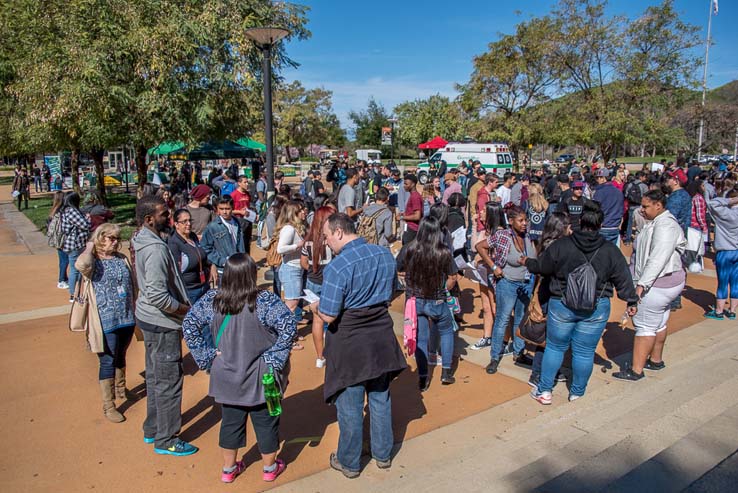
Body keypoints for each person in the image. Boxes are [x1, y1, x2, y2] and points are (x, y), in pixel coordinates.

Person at [311, 213, 407, 478]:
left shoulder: (338, 267)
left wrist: (315, 306)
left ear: (339, 232)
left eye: (328, 237)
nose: (327, 242)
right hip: (380, 336)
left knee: (350, 403)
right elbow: (391, 293)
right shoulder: (385, 254)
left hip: (350, 342)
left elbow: (329, 315)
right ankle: (383, 454)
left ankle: (349, 461)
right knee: (380, 396)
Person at [525, 201, 639, 404]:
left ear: (580, 221)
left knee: (554, 347)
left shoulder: (562, 245)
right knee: (585, 351)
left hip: (562, 303)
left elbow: (542, 267)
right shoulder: (610, 250)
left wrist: (527, 262)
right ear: (600, 224)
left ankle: (544, 391)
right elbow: (623, 278)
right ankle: (577, 391)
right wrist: (631, 299)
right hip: (596, 306)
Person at [205, 254, 295, 484]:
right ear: (251, 274)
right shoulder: (265, 301)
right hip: (263, 378)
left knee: (230, 423)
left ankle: (228, 469)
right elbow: (289, 325)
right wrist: (276, 358)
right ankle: (270, 468)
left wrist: (206, 356)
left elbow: (189, 325)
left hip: (226, 377)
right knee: (268, 421)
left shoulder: (213, 300)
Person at [132, 195, 195, 456]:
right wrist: (183, 309)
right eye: (163, 214)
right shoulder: (156, 249)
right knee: (169, 381)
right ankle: (167, 438)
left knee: (157, 377)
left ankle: (153, 428)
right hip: (161, 322)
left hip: (149, 319)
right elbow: (158, 295)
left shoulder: (143, 239)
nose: (168, 218)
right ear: (149, 219)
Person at [613, 190, 686, 381]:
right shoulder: (659, 223)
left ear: (658, 205)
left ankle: (636, 370)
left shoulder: (665, 226)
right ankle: (655, 359)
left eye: (645, 206)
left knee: (645, 326)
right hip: (665, 284)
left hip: (656, 286)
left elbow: (657, 259)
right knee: (660, 321)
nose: (642, 210)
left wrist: (641, 286)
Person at [75, 224, 136, 422]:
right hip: (104, 320)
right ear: (99, 238)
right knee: (107, 360)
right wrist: (90, 246)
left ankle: (120, 389)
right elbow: (80, 265)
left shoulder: (121, 258)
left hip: (126, 317)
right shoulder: (92, 261)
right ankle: (109, 406)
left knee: (121, 354)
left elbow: (131, 282)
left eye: (117, 238)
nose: (115, 242)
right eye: (110, 238)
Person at [396, 216, 457, 390]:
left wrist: (408, 278)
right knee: (446, 332)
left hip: (415, 300)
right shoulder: (443, 252)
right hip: (437, 299)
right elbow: (453, 276)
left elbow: (399, 268)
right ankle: (446, 372)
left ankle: (423, 377)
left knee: (421, 338)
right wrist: (445, 289)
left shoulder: (409, 249)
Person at [484, 205, 537, 374]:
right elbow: (480, 246)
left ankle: (519, 352)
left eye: (525, 220)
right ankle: (494, 356)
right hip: (507, 283)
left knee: (521, 318)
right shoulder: (502, 235)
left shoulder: (527, 236)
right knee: (503, 319)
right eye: (520, 220)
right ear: (511, 221)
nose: (524, 223)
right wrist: (493, 267)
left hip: (526, 283)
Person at [527, 212, 572, 389]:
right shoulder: (551, 246)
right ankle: (537, 373)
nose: (571, 229)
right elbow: (544, 270)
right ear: (561, 227)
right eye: (568, 225)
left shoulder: (555, 244)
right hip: (548, 293)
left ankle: (551, 369)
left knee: (556, 336)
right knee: (546, 335)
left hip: (556, 293)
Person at [301, 206, 334, 366]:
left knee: (317, 319)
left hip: (312, 282)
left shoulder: (308, 241)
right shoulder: (331, 240)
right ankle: (333, 350)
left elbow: (303, 263)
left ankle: (320, 357)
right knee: (334, 316)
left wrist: (314, 269)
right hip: (329, 283)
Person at [470, 201, 506, 350]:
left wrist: (485, 262)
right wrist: (473, 225)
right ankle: (487, 337)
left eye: (484, 210)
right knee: (486, 307)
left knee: (497, 308)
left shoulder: (499, 232)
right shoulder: (485, 230)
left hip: (494, 275)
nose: (481, 213)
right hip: (483, 274)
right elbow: (474, 247)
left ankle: (503, 340)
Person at [703, 190, 738, 319]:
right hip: (737, 252)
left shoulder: (726, 213)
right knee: (736, 282)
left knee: (723, 282)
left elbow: (712, 204)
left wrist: (730, 201)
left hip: (725, 251)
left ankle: (719, 311)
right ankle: (732, 311)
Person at [168, 209, 210, 305]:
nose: (188, 224)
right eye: (184, 222)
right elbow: (175, 271)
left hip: (204, 286)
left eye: (190, 220)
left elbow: (202, 255)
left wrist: (212, 267)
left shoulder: (193, 236)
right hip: (190, 291)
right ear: (176, 224)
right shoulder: (174, 243)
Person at [201, 196, 245, 282]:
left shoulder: (237, 222)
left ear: (232, 208)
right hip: (223, 270)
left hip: (238, 266)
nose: (224, 212)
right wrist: (221, 261)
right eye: (221, 209)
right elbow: (205, 247)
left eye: (227, 208)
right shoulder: (213, 227)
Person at [61, 192, 92, 300]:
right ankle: (73, 293)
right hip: (75, 244)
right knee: (75, 269)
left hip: (75, 244)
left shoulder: (67, 211)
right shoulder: (72, 211)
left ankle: (76, 292)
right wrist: (88, 219)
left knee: (77, 268)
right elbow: (85, 225)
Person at [592, 169, 624, 245]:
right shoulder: (618, 191)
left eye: (598, 178)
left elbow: (595, 210)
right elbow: (622, 210)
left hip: (603, 227)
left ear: (603, 178)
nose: (597, 180)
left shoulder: (599, 192)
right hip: (615, 227)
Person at [47, 192, 69, 289]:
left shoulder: (53, 211)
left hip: (56, 239)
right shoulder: (62, 212)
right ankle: (61, 280)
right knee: (65, 260)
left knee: (62, 260)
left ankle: (64, 277)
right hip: (62, 239)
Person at [230, 175, 254, 255]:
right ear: (239, 183)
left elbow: (249, 206)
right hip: (238, 220)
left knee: (247, 241)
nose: (247, 184)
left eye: (247, 182)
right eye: (245, 182)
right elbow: (229, 210)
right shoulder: (234, 195)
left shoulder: (247, 194)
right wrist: (240, 212)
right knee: (240, 241)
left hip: (248, 220)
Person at [401, 174, 423, 244]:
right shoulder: (413, 195)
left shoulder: (415, 197)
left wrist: (402, 217)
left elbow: (417, 216)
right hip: (410, 227)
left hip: (412, 229)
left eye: (406, 184)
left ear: (413, 184)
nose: (404, 185)